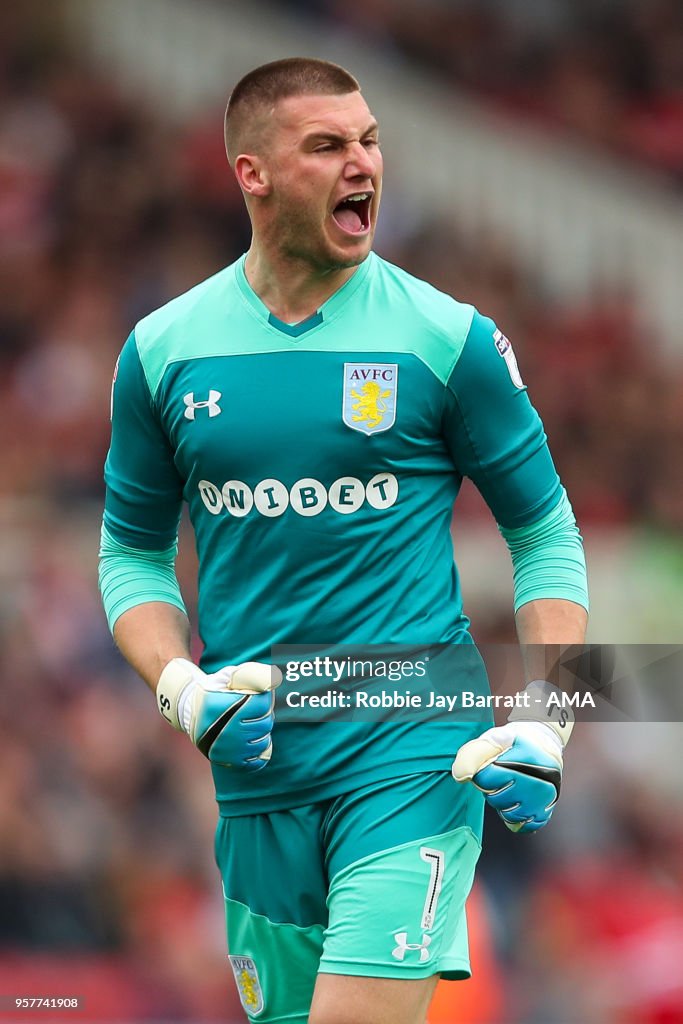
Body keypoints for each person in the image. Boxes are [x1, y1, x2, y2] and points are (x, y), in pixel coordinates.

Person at [99, 57, 588, 1024]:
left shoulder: (446, 339)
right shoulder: (162, 349)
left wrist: (551, 714)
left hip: (413, 752)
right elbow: (131, 555)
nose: (361, 163)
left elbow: (546, 535)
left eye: (369, 142)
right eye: (327, 146)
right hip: (256, 775)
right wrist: (180, 686)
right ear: (253, 173)